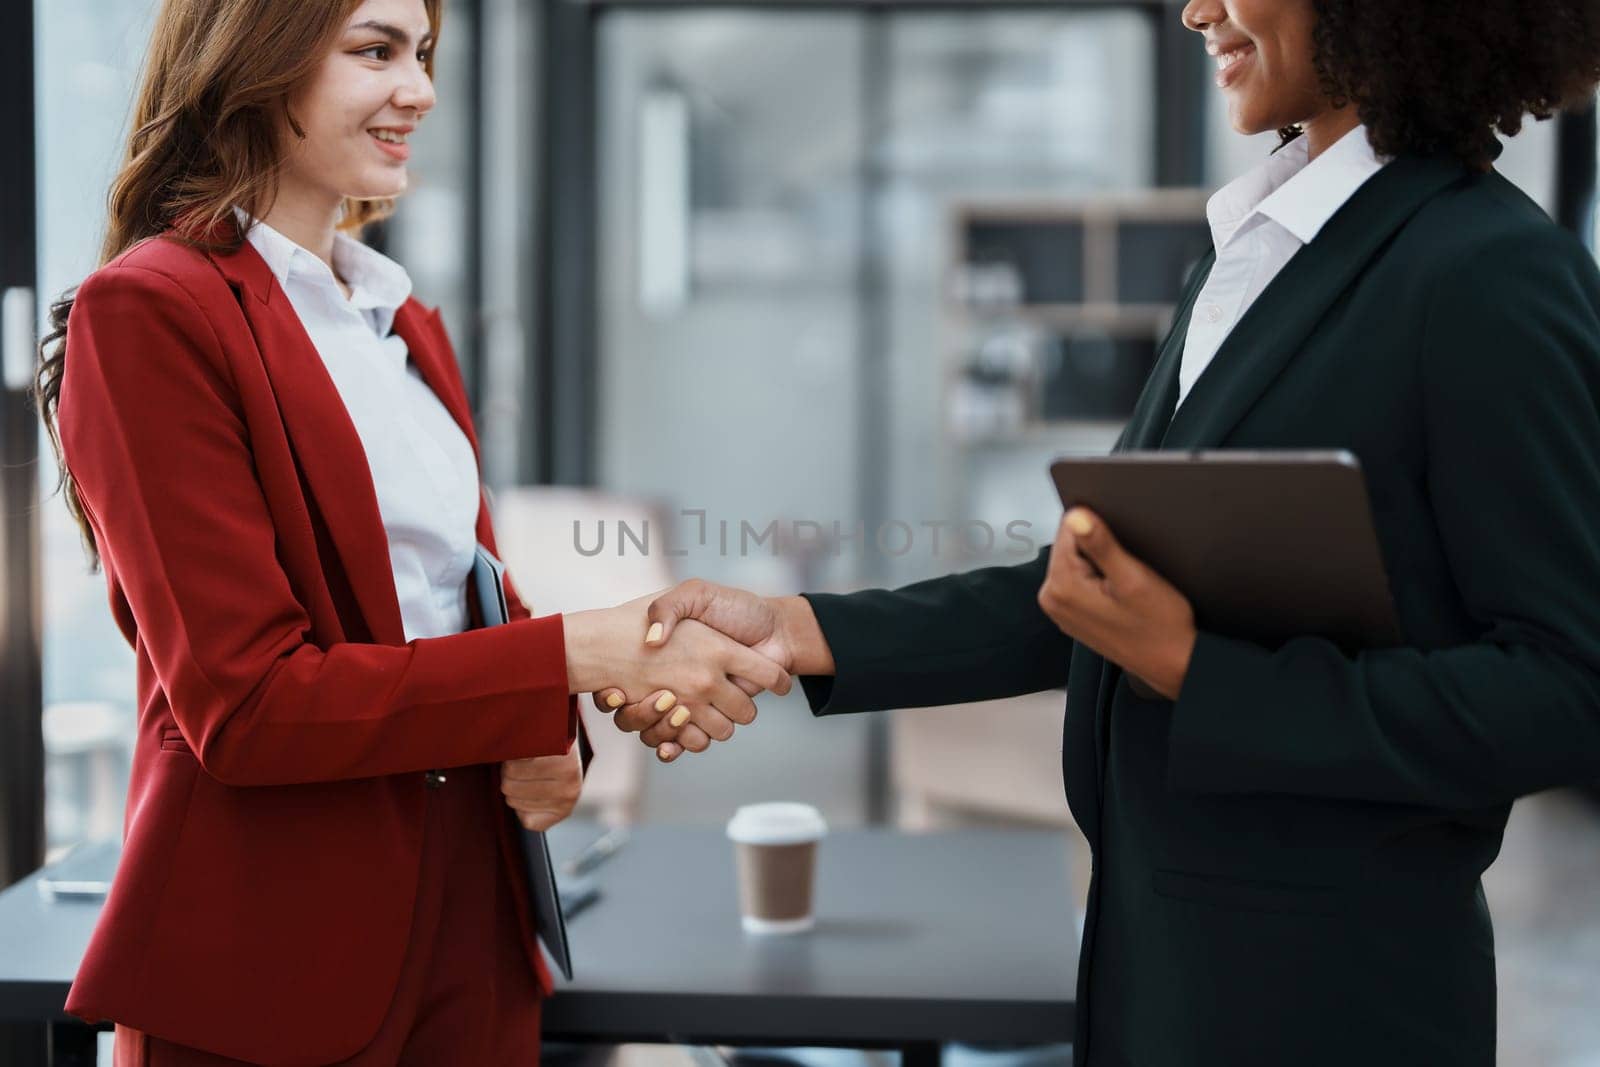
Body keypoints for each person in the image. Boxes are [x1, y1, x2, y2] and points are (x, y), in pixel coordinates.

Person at [587, 0, 1600, 1063]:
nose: (1195, 8)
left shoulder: (1489, 272)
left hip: (1323, 1000)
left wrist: (1197, 670)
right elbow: (1099, 588)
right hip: (1160, 954)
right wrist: (799, 628)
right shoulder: (1251, 258)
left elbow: (1569, 687)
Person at [33, 0, 790, 1062]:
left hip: (473, 933)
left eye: (424, 54)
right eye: (376, 51)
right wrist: (576, 649)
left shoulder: (397, 320)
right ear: (259, 57)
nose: (420, 92)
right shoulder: (152, 310)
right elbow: (246, 705)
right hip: (269, 958)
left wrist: (552, 732)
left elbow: (464, 601)